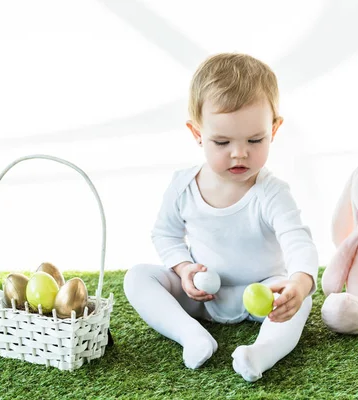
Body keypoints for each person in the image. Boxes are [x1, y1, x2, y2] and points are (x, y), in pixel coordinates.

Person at [123, 53, 318, 382]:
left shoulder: (271, 193)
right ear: (197, 132)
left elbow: (298, 241)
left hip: (263, 294)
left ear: (274, 128)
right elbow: (165, 235)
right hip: (203, 294)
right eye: (222, 141)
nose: (239, 153)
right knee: (138, 277)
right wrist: (184, 270)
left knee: (304, 302)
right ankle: (191, 335)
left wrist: (299, 284)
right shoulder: (183, 186)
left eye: (255, 140)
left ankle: (261, 353)